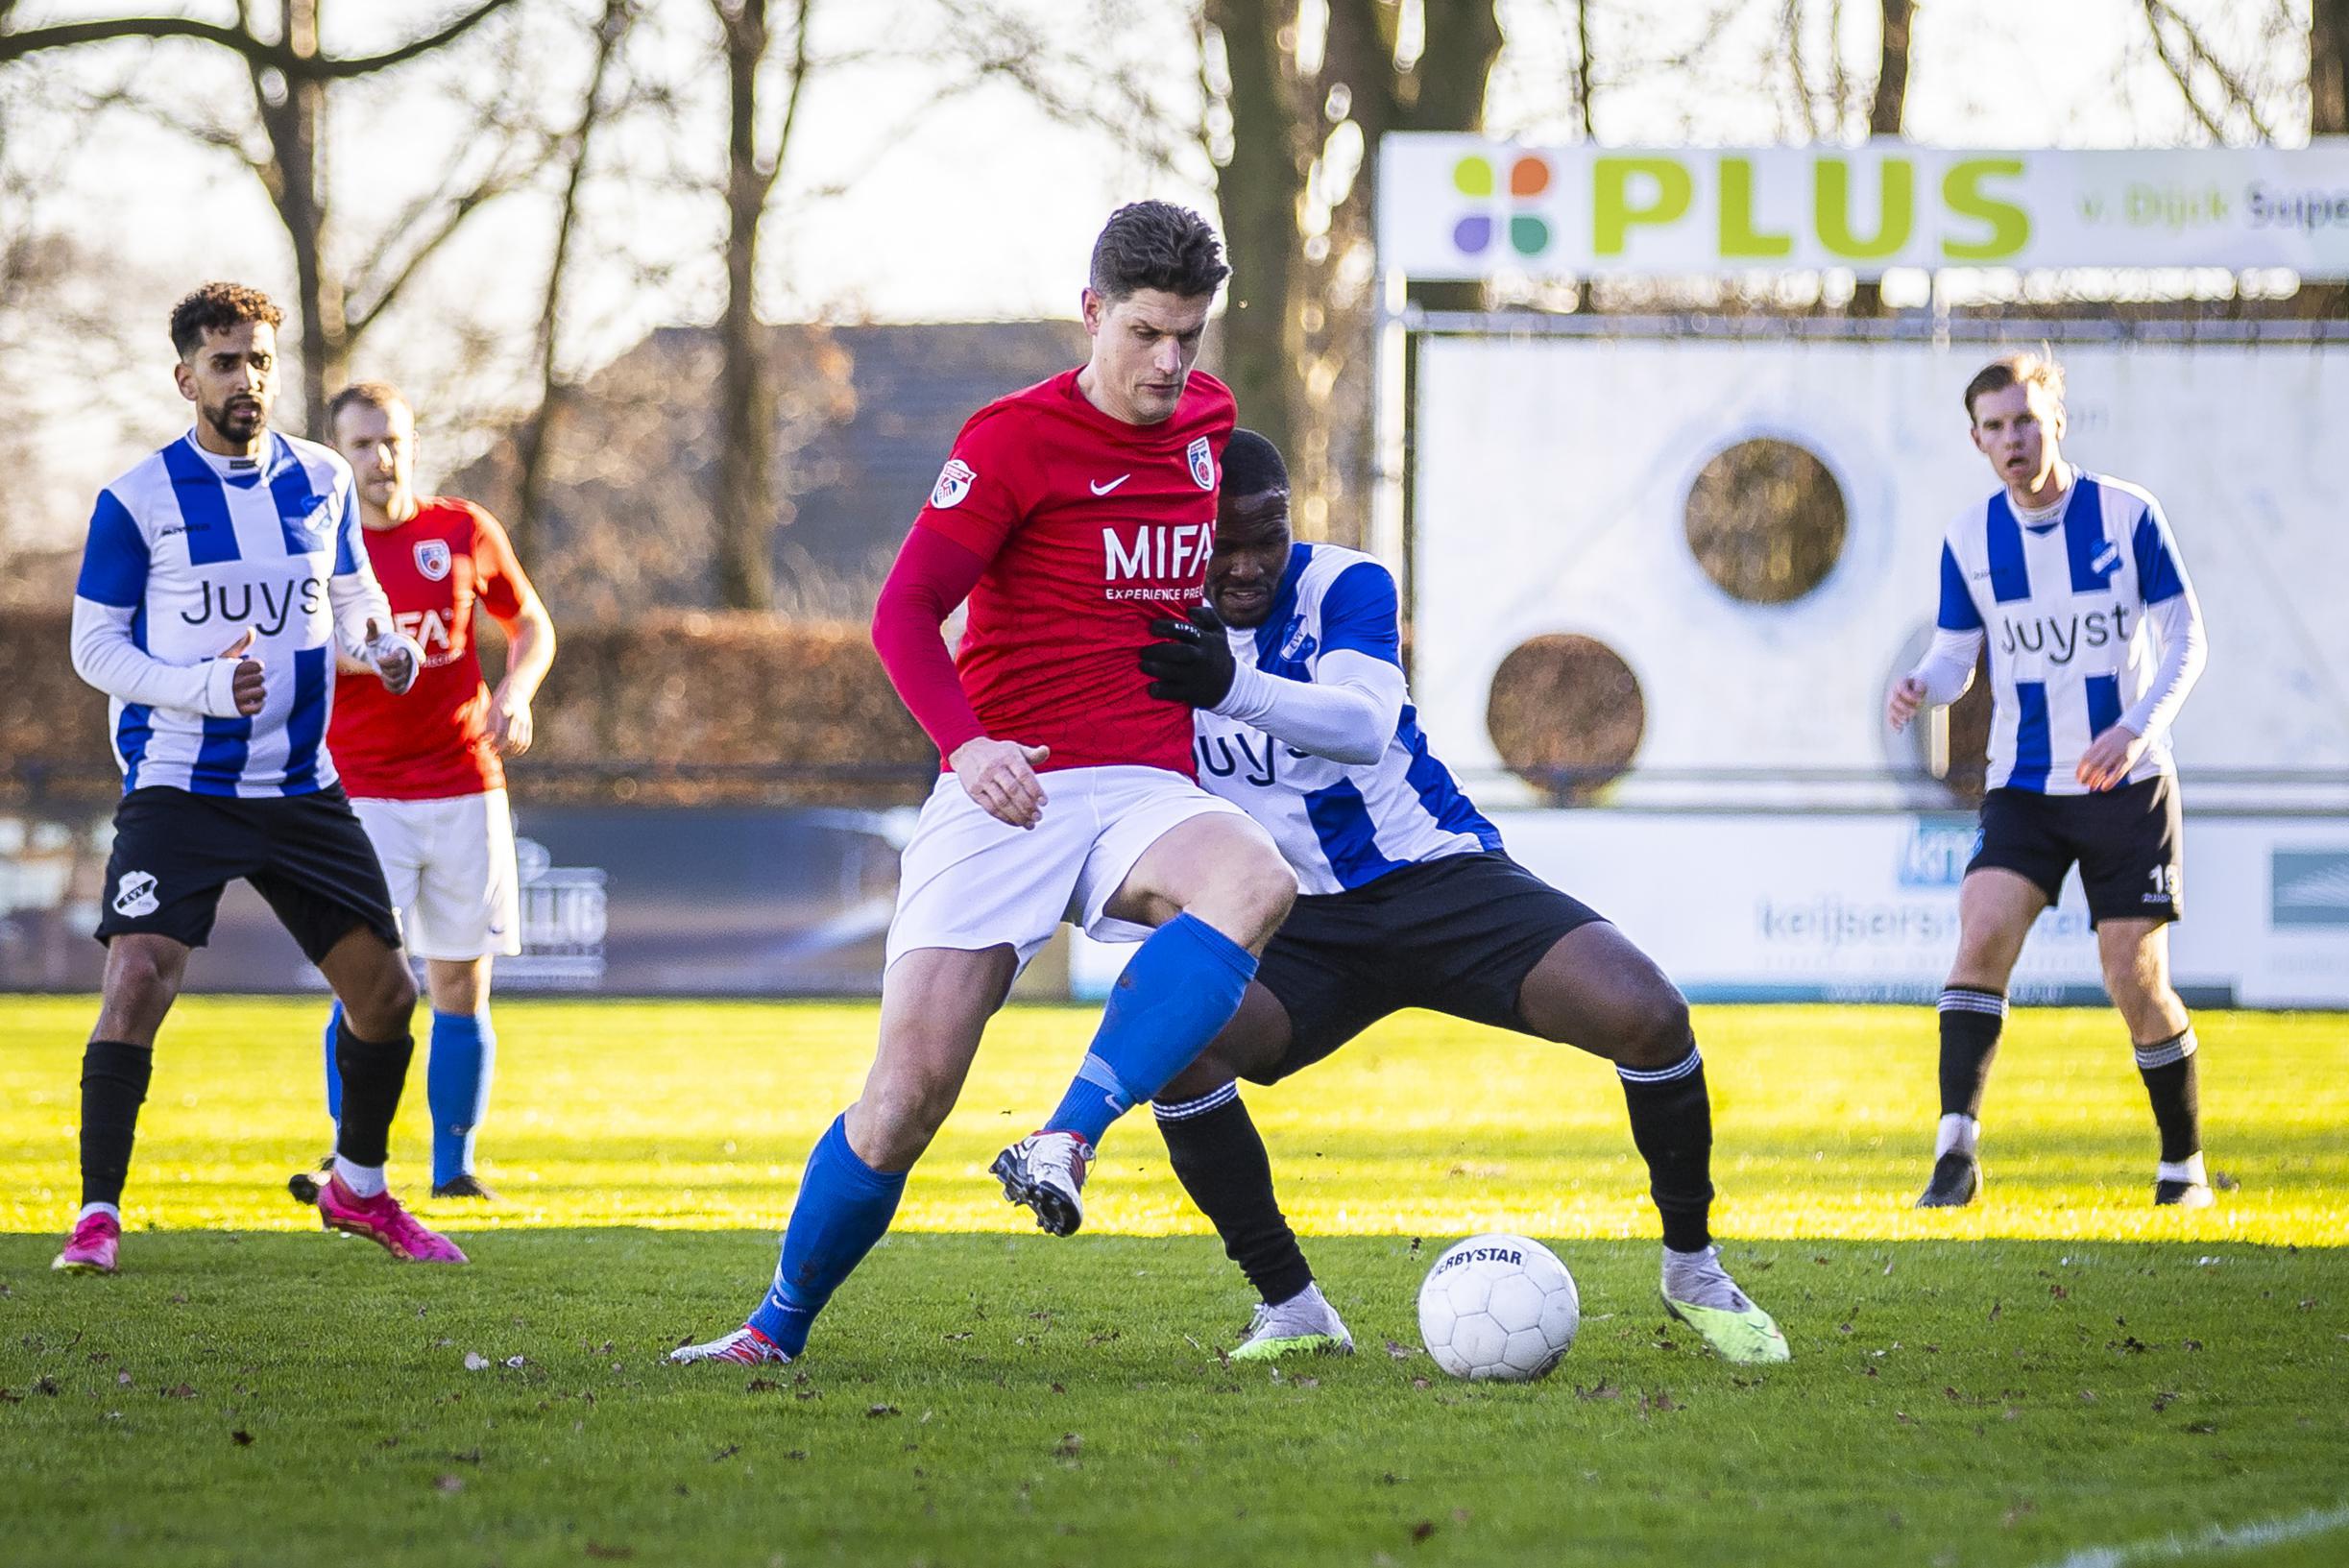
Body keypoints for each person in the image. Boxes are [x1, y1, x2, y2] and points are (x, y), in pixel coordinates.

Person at [668, 203, 1297, 1367]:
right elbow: (902, 613)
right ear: (1092, 312)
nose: (1171, 363)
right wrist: (965, 745)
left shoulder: (1210, 421)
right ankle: (772, 1330)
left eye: (1190, 338)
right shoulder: (1009, 440)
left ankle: (1065, 1135)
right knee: (905, 1098)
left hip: (1144, 787)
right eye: (1149, 333)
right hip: (1009, 781)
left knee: (1255, 877)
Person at [1129, 428, 1789, 1365]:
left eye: (1264, 536)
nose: (1244, 564)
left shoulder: (1344, 585)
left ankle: (1692, 1267)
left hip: (1437, 881)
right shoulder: (1143, 626)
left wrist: (1231, 686)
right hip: (1291, 921)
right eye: (1218, 543)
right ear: (1179, 534)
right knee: (1173, 1042)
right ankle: (1293, 1306)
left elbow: (1360, 725)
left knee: (1649, 1013)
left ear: (1290, 521)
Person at [53, 281, 462, 1274]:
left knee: (388, 994)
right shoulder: (138, 498)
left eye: (263, 361)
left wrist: (380, 643)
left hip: (298, 785)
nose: (249, 380)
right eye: (228, 362)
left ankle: (358, 1190)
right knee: (140, 975)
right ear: (186, 374)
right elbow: (93, 646)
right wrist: (198, 684)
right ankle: (97, 1215)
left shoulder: (320, 478)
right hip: (179, 782)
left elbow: (352, 588)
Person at [1888, 351, 2211, 1210]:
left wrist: (2135, 724)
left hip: (2127, 783)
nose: (2012, 439)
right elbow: (1959, 656)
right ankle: (1955, 1151)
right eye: (1994, 427)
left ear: (2055, 419)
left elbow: (2187, 641)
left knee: (2133, 978)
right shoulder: (1970, 538)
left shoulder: (2127, 514)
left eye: (2025, 420)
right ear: (1976, 439)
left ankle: (2183, 1165)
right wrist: (1922, 682)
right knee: (1982, 933)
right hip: (2023, 784)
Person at [293, 381, 556, 1201]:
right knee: (364, 979)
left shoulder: (462, 529)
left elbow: (532, 625)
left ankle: (455, 1168)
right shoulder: (315, 546)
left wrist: (515, 692)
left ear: (412, 442)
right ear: (340, 452)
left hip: (461, 782)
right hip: (360, 792)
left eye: (393, 441)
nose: (381, 459)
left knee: (460, 979)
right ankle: (350, 1160)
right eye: (363, 445)